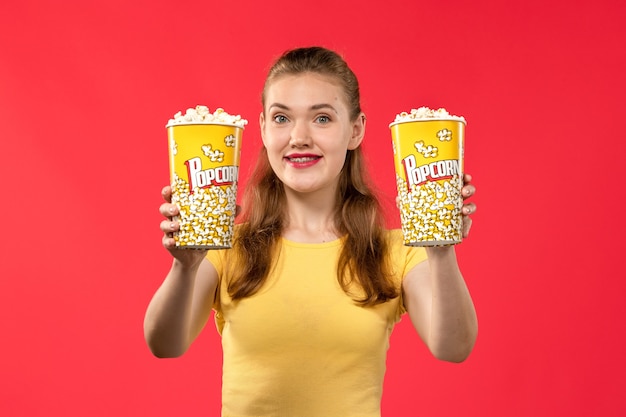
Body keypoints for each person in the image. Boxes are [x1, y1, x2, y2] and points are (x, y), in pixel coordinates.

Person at [144, 46, 478, 417]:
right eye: (282, 118)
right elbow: (165, 344)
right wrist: (185, 266)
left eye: (322, 119)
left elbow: (453, 348)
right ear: (264, 130)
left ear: (355, 130)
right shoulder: (227, 246)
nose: (299, 137)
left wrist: (442, 251)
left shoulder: (395, 251)